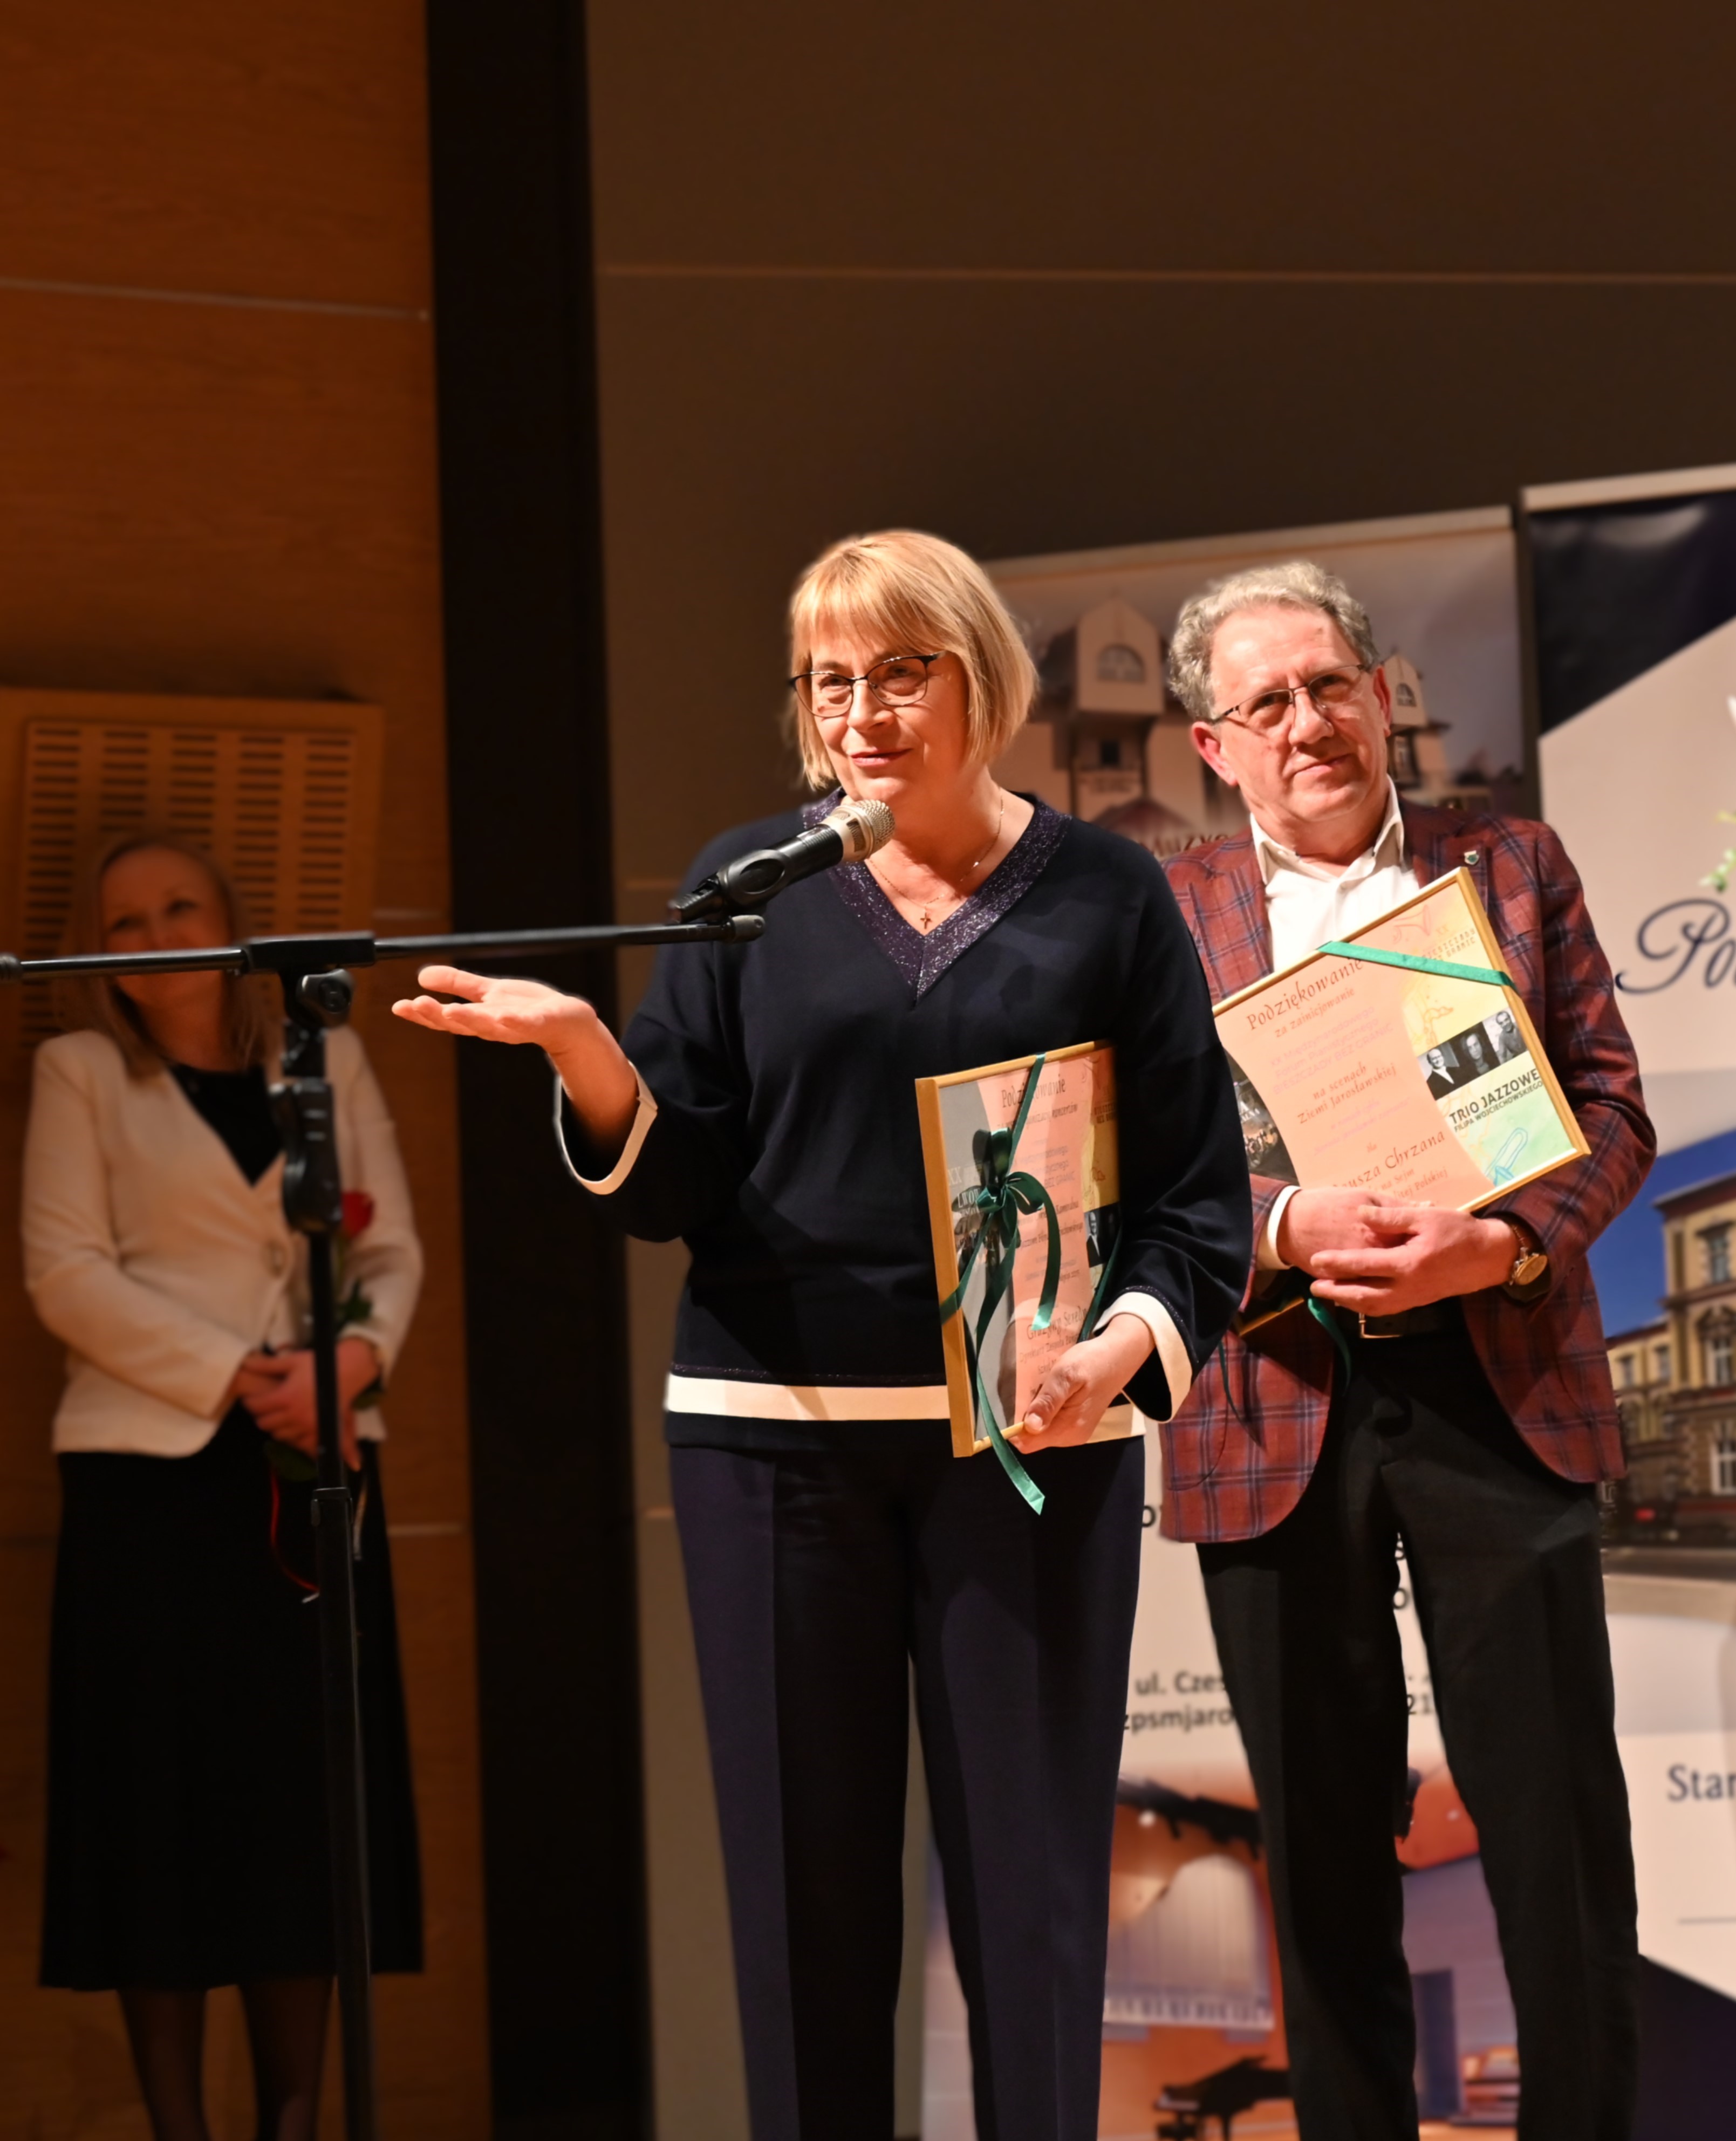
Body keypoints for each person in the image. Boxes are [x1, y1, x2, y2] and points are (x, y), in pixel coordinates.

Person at [390, 530, 1250, 2141]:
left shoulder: (1110, 893)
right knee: (803, 1916)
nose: (861, 713)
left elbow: (1194, 1202)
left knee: (1036, 1906)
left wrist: (1110, 1356)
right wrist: (585, 1054)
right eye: (829, 681)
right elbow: (676, 1183)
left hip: (1028, 1448)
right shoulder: (748, 888)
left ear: (979, 679)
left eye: (900, 673)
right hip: (769, 1452)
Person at [1157, 561, 1655, 2141]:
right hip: (1270, 1395)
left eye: (1330, 686)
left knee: (1556, 1838)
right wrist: (1279, 1226)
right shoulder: (1158, 914)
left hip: (1495, 1378)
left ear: (1383, 699)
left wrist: (1500, 1244)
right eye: (1265, 703)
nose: (1306, 721)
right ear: (1213, 746)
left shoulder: (1507, 864)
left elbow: (1611, 1107)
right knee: (1316, 1856)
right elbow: (1125, 1171)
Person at [24, 832, 426, 2141]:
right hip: (149, 1479)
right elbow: (64, 1272)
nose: (153, 938)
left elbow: (391, 1247)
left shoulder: (325, 1055)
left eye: (178, 907)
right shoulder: (80, 1070)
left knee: (296, 1809)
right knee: (158, 1813)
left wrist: (350, 1360)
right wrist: (241, 1373)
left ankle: (294, 2124)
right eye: (123, 922)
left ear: (230, 920)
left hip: (318, 1461)